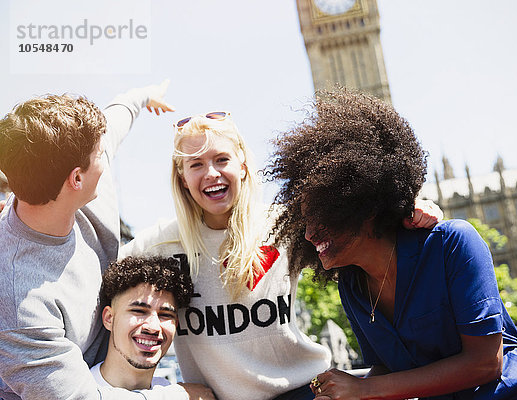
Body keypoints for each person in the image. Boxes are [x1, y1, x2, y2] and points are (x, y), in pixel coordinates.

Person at [266, 88, 517, 400]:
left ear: (361, 206)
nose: (309, 234)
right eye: (305, 222)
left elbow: (485, 364)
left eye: (320, 218)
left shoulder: (453, 244)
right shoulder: (352, 286)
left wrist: (365, 389)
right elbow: (386, 368)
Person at [120, 111, 442, 400]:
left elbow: (362, 226)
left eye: (222, 159)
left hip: (303, 391)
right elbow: (98, 279)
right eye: (196, 164)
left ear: (243, 167)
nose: (212, 173)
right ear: (182, 178)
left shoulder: (286, 224)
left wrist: (409, 208)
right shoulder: (159, 245)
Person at [0, 83, 212, 400]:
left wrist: (139, 97)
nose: (106, 157)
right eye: (100, 154)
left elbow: (112, 123)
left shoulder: (67, 175)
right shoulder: (17, 301)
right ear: (76, 179)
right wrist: (181, 396)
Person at [92, 256, 193, 390]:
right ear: (109, 318)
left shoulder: (174, 393)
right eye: (139, 311)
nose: (153, 327)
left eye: (165, 315)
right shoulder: (74, 392)